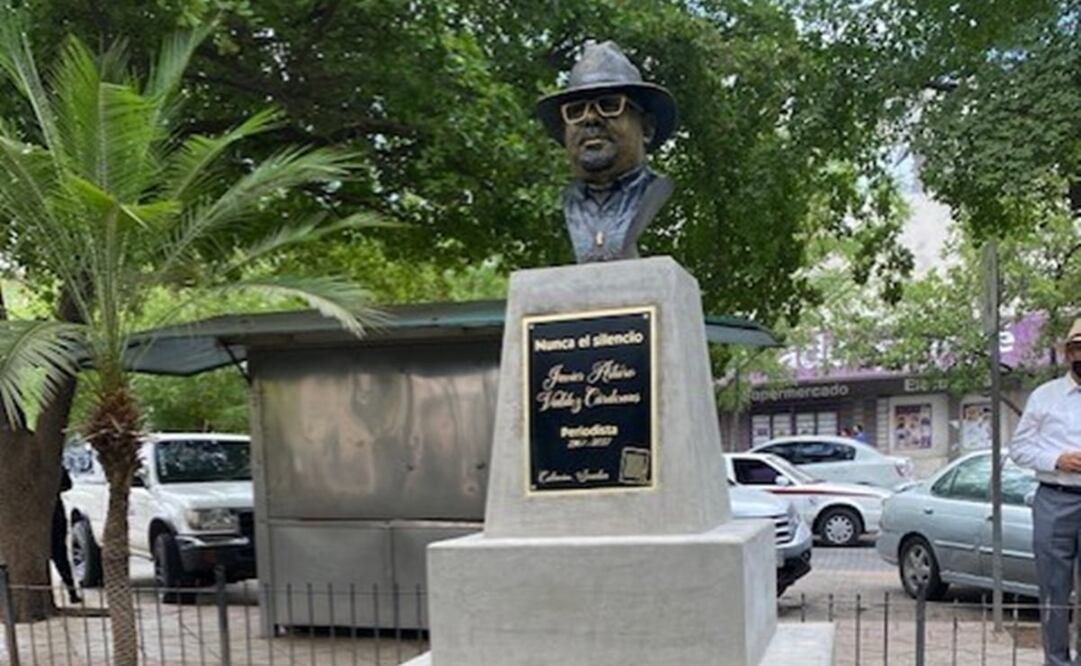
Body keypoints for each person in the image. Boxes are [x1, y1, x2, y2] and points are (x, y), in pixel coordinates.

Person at [535, 41, 677, 263]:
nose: (590, 118)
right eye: (576, 110)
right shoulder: (565, 204)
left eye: (609, 105)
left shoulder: (655, 191)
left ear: (646, 129)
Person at [1009, 317, 1081, 666]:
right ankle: (1056, 660)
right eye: (1079, 348)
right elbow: (1019, 449)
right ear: (1069, 353)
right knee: (1054, 588)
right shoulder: (1045, 396)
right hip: (1055, 498)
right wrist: (1056, 459)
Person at [51, 466, 81, 604]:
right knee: (60, 555)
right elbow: (67, 484)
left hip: (54, 515)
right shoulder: (53, 465)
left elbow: (67, 484)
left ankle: (72, 591)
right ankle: (72, 591)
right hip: (55, 514)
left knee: (59, 555)